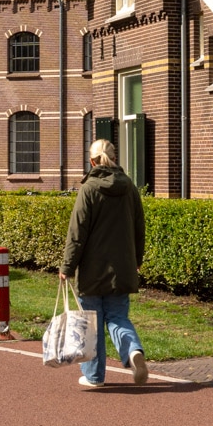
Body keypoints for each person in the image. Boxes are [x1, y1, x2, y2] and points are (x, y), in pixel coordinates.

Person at [59, 138, 148, 388]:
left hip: (93, 270)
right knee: (118, 317)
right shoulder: (129, 187)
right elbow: (139, 227)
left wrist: (67, 266)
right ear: (115, 158)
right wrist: (137, 260)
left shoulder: (89, 189)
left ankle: (94, 376)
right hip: (122, 268)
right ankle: (133, 351)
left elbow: (77, 233)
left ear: (91, 161)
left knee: (92, 323)